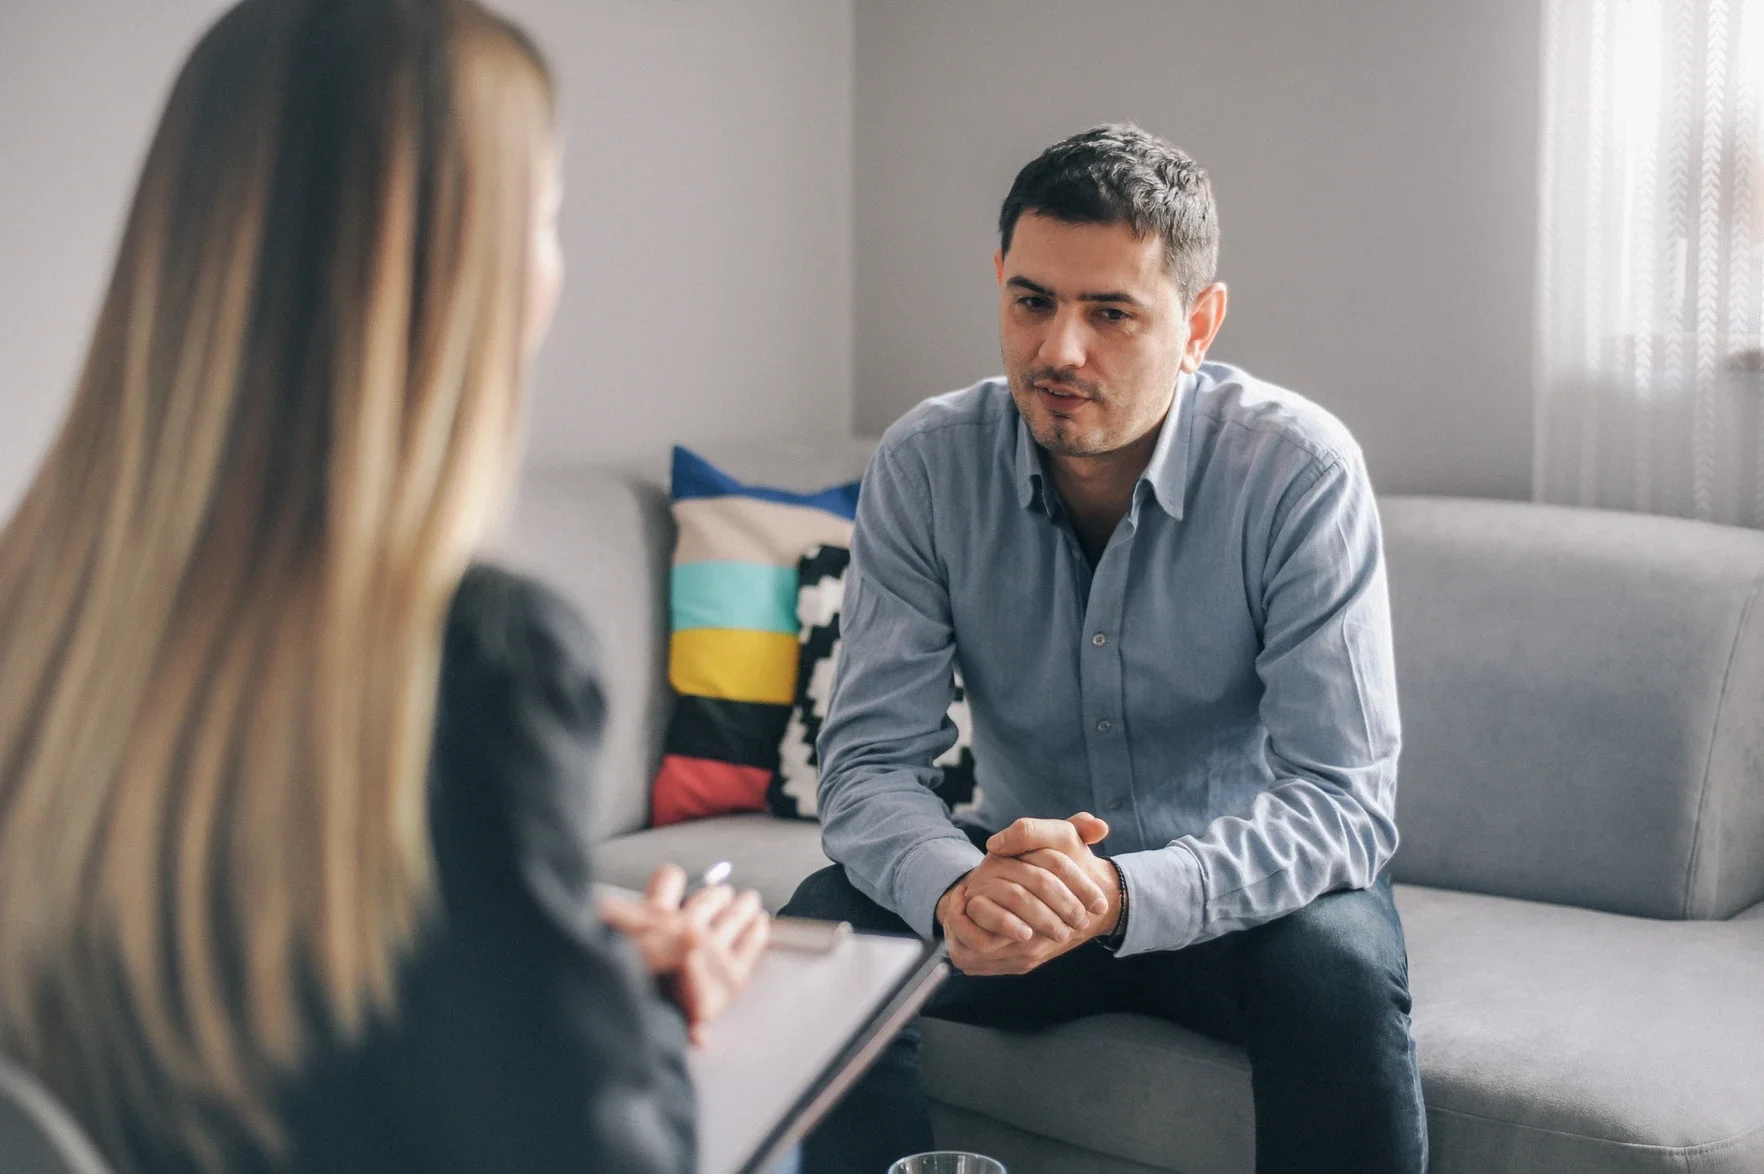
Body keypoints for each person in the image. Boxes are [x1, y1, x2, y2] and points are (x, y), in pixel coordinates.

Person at [0, 2, 767, 1172]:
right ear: (469, 269)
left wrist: (546, 944)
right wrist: (654, 1004)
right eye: (549, 216)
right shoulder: (475, 661)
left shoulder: (41, 611)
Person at [782, 123, 1427, 1173]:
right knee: (818, 934)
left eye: (1111, 313)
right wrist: (953, 886)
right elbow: (866, 766)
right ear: (999, 280)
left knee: (1338, 966)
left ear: (1199, 324)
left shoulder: (1299, 472)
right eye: (1032, 300)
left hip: (1238, 902)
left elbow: (1343, 801)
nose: (1058, 352)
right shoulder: (928, 466)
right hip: (1017, 900)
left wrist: (1123, 893)